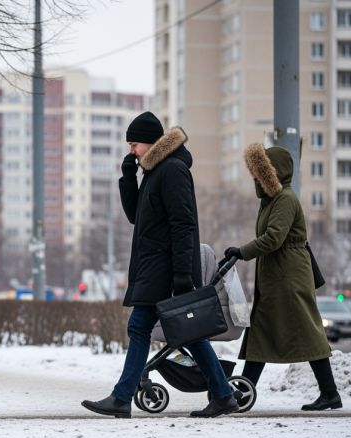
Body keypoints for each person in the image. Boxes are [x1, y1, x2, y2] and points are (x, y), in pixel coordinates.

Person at [81, 112, 238, 418]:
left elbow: (184, 224)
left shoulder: (173, 170)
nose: (132, 151)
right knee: (186, 331)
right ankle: (222, 394)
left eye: (135, 144)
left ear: (152, 143)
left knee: (141, 326)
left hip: (167, 269)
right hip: (156, 266)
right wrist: (129, 177)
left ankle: (122, 397)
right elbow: (135, 215)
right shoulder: (155, 172)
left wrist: (182, 274)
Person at [222, 143, 341, 411]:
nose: (255, 179)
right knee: (261, 331)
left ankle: (330, 393)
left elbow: (274, 238)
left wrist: (241, 251)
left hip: (289, 278)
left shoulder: (285, 199)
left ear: (272, 174)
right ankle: (243, 392)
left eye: (259, 174)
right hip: (276, 276)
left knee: (307, 332)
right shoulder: (270, 201)